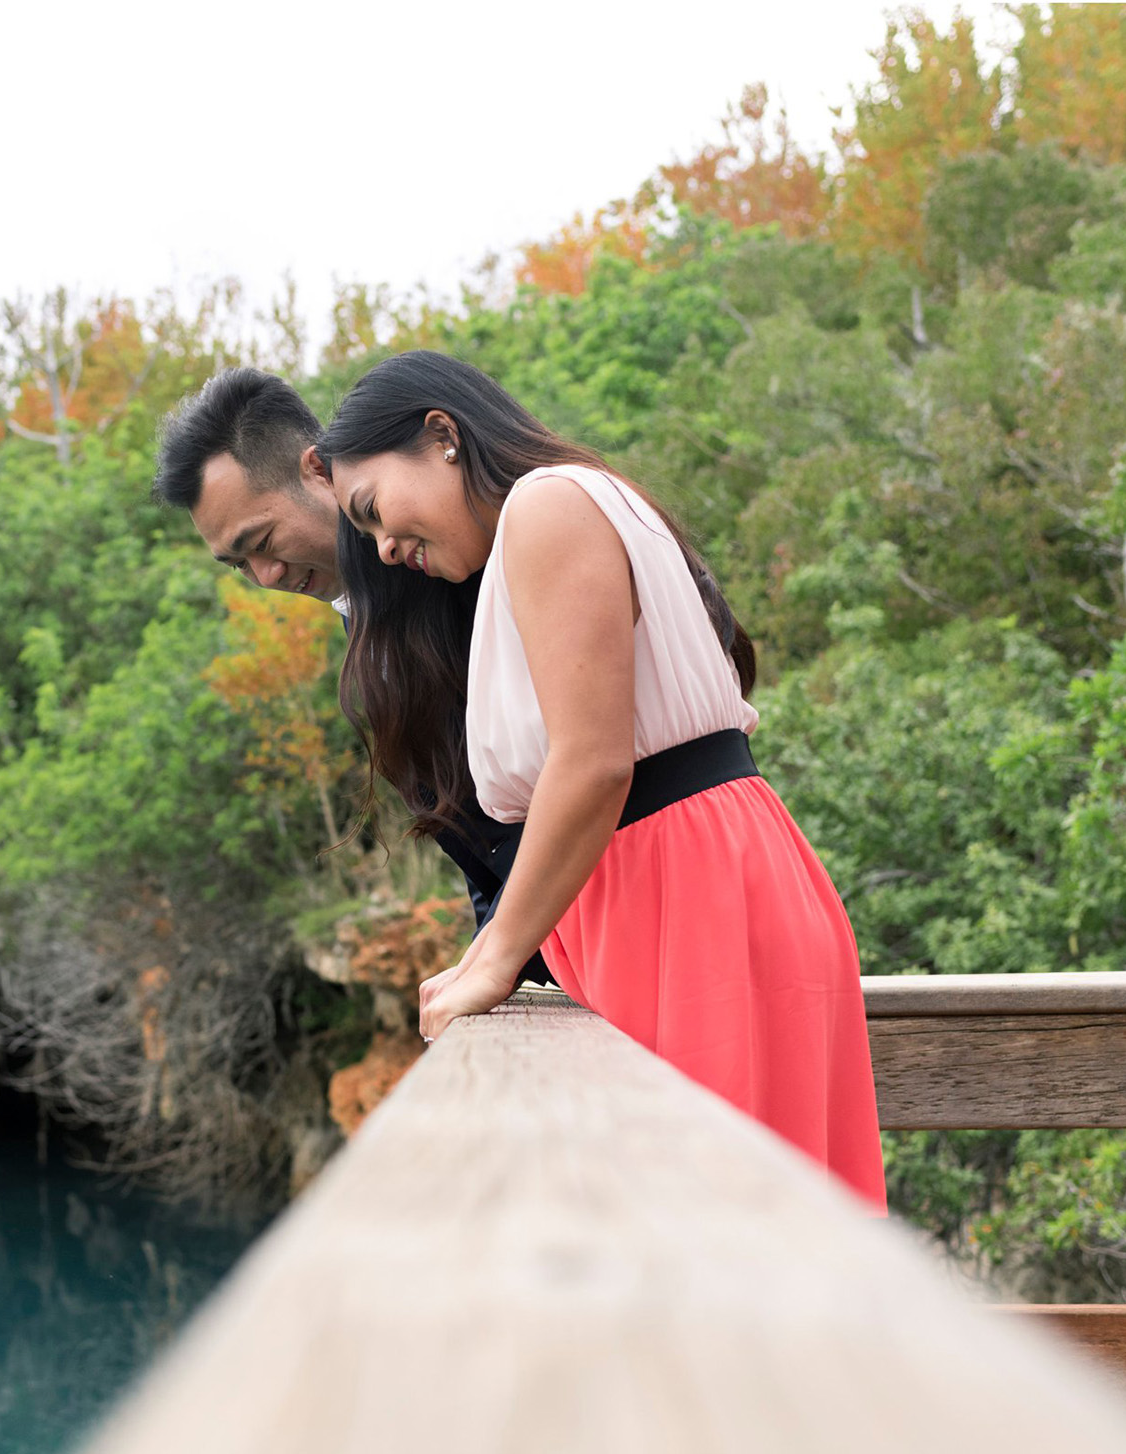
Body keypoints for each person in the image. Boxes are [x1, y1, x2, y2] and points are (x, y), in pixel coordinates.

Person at [320, 350, 885, 1210]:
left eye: (372, 512)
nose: (385, 548)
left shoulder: (547, 507)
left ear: (441, 435)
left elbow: (591, 761)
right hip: (685, 884)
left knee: (719, 1232)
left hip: (686, 894)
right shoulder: (563, 510)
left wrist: (496, 956)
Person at [154, 368, 553, 987]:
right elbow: (476, 840)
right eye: (238, 565)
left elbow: (566, 781)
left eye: (261, 540)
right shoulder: (361, 617)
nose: (264, 577)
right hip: (550, 953)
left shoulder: (459, 566)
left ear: (319, 470)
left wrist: (502, 957)